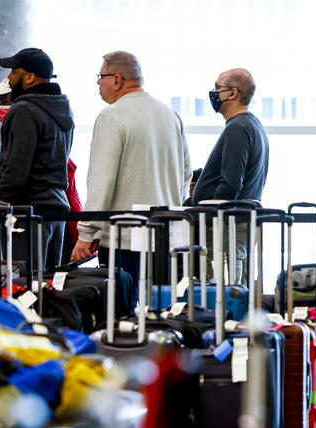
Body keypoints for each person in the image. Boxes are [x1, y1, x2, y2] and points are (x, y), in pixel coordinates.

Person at [71, 51, 192, 283]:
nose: (98, 82)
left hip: (124, 238)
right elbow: (185, 174)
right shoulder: (170, 114)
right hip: (166, 235)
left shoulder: (112, 116)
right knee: (158, 311)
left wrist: (86, 233)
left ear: (117, 80)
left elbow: (101, 181)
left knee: (123, 311)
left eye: (101, 76)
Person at [0, 48, 74, 268]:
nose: (9, 78)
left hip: (27, 215)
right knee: (46, 290)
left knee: (21, 290)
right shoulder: (63, 109)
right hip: (56, 211)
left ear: (29, 77)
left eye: (14, 72)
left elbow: (14, 171)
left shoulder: (24, 111)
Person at [190, 68, 269, 285]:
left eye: (217, 87)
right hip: (235, 224)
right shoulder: (250, 125)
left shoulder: (238, 128)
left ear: (232, 93)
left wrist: (211, 214)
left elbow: (232, 181)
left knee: (223, 293)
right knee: (234, 288)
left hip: (226, 227)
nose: (213, 93)